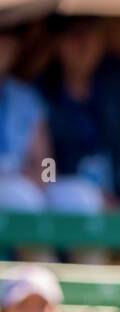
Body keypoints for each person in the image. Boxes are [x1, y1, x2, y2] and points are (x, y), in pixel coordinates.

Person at [36, 15, 120, 213]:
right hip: (68, 201)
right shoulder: (43, 86)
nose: (84, 45)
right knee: (78, 200)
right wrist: (60, 188)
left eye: (91, 33)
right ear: (58, 42)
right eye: (75, 35)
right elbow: (43, 161)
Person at [0, 22, 53, 214]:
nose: (3, 47)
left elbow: (48, 161)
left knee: (80, 198)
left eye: (8, 40)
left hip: (25, 186)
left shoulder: (26, 97)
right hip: (16, 192)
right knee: (20, 197)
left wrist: (44, 180)